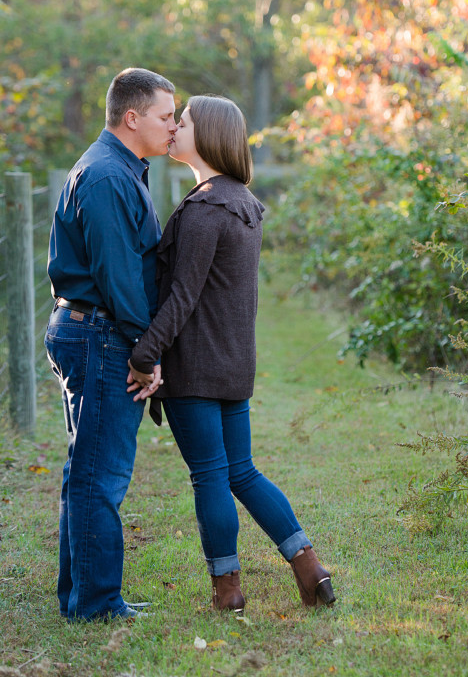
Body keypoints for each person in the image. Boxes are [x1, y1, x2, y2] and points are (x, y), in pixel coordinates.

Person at [128, 95, 336, 612]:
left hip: (197, 367)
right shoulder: (242, 202)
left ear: (212, 134)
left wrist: (145, 353)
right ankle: (309, 567)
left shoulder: (204, 209)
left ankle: (227, 590)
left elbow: (183, 295)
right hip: (233, 362)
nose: (176, 126)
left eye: (187, 121)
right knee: (241, 471)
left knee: (211, 477)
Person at [45, 67, 176, 622]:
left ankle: (81, 594)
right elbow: (120, 278)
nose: (174, 126)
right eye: (166, 116)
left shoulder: (122, 169)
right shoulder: (105, 177)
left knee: (87, 468)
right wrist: (145, 354)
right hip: (100, 334)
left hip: (96, 330)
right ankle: (95, 604)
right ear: (133, 117)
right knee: (101, 474)